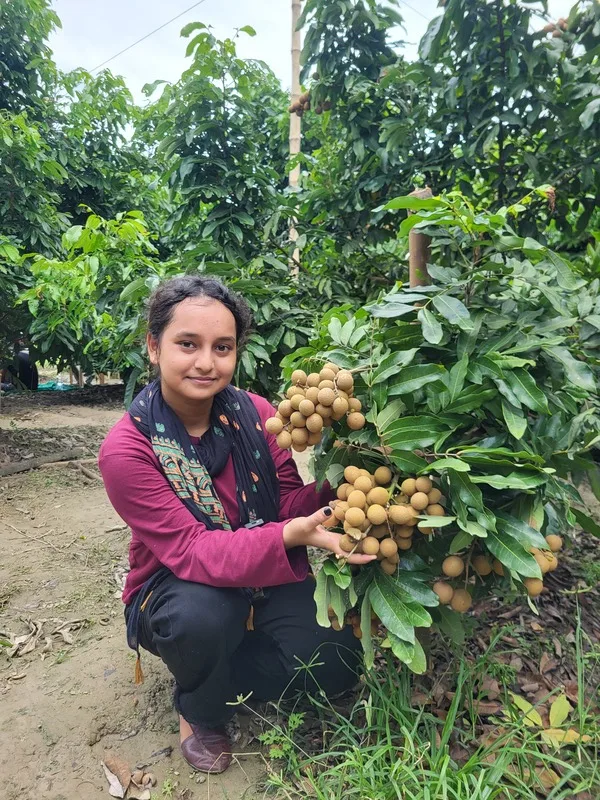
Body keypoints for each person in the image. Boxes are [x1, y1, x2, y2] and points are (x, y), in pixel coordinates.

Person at [98, 275, 376, 774]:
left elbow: (290, 501)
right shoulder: (126, 450)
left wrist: (346, 476)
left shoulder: (258, 414)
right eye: (188, 344)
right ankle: (199, 709)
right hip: (178, 583)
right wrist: (291, 535)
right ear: (154, 346)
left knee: (337, 660)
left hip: (260, 572)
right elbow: (192, 550)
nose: (206, 362)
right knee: (201, 617)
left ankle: (213, 673)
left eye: (222, 347)